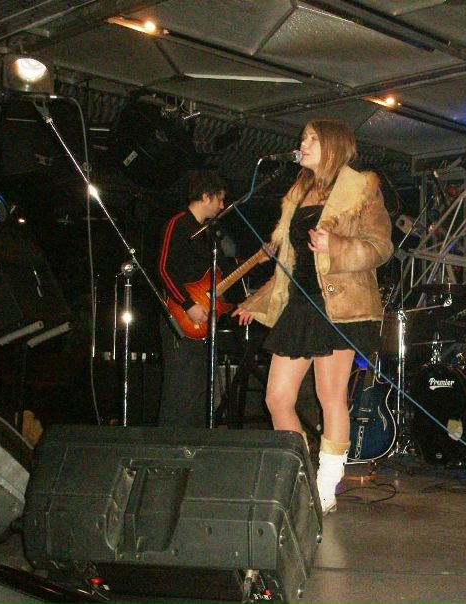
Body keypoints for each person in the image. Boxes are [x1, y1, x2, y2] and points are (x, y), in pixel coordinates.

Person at [232, 119, 393, 513]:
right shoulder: (298, 192)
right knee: (277, 397)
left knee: (329, 395)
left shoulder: (362, 186)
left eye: (312, 139)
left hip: (339, 305)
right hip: (300, 305)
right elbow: (289, 263)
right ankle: (301, 474)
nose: (302, 143)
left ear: (333, 145)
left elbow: (381, 247)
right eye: (303, 137)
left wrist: (335, 244)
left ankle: (326, 486)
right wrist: (257, 302)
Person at [158, 171, 227, 427]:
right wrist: (187, 305)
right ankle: (169, 443)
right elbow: (163, 269)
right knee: (179, 388)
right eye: (220, 199)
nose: (222, 206)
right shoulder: (178, 223)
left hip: (203, 320)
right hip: (179, 317)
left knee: (199, 388)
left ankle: (196, 441)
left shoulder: (208, 233)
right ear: (206, 197)